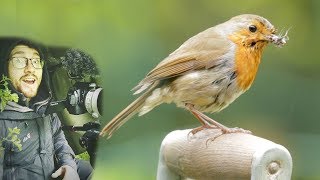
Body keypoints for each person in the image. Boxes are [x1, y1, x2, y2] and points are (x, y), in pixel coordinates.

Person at [0, 38, 92, 180]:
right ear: (4, 69)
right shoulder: (3, 122)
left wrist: (68, 166)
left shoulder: (46, 109)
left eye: (36, 61)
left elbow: (59, 140)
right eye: (19, 60)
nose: (30, 68)